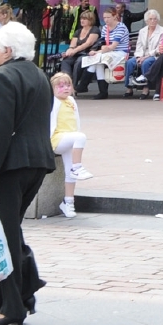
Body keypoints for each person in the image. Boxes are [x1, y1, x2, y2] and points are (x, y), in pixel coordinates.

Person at [0, 21, 55, 325]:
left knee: (2, 237)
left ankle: (12, 307)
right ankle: (21, 294)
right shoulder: (39, 74)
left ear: (7, 50)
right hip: (37, 163)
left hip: (9, 166)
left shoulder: (3, 76)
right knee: (9, 232)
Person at [47, 72, 93, 218]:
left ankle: (68, 203)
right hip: (57, 138)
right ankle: (77, 167)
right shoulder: (53, 102)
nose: (65, 88)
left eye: (68, 85)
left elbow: (76, 120)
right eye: (61, 86)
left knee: (70, 173)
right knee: (81, 137)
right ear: (53, 88)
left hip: (70, 138)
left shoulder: (71, 101)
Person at [57, 7, 101, 95]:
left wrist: (75, 50)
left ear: (90, 20)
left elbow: (88, 43)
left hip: (88, 53)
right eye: (81, 18)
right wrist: (69, 50)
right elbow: (72, 44)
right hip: (77, 53)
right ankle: (67, 82)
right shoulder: (78, 31)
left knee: (79, 62)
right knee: (66, 61)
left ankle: (73, 86)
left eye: (84, 19)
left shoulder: (95, 29)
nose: (82, 20)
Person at [129, 10, 163, 93]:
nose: (153, 21)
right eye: (150, 19)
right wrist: (138, 57)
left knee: (146, 63)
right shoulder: (142, 31)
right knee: (130, 62)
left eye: (155, 19)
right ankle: (129, 87)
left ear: (157, 20)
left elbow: (159, 48)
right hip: (142, 55)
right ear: (146, 21)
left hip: (154, 55)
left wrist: (145, 57)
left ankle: (146, 88)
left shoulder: (162, 31)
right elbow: (139, 45)